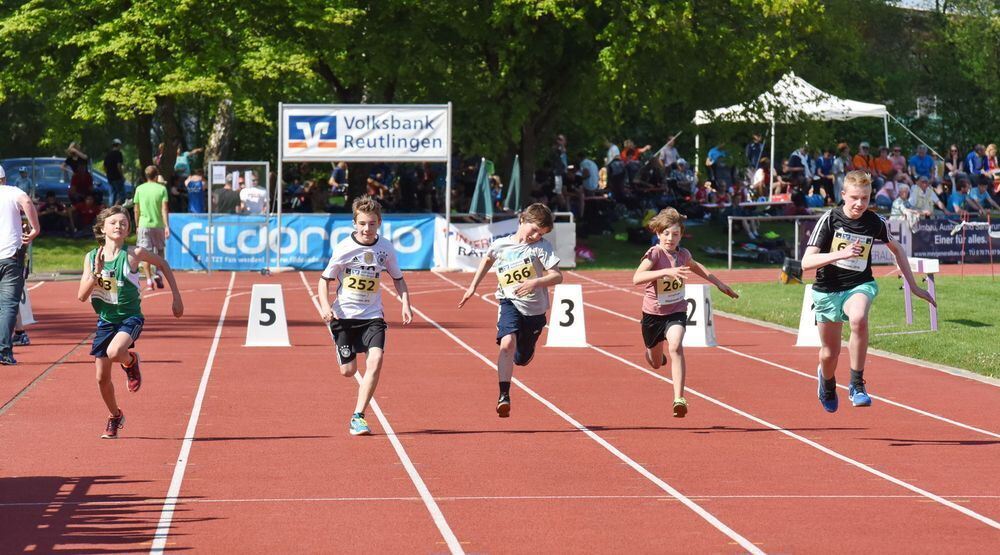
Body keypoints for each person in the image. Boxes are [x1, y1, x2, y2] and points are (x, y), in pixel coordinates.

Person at [802, 171, 934, 413]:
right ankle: (827, 382)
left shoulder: (874, 222)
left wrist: (913, 285)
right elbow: (806, 263)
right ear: (843, 195)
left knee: (859, 319)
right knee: (829, 354)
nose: (859, 204)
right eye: (854, 198)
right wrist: (840, 254)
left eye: (864, 198)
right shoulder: (830, 219)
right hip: (828, 290)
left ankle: (856, 385)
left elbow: (898, 250)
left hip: (859, 284)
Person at [77, 205, 183, 438]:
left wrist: (177, 297)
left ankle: (131, 361)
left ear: (128, 231)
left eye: (123, 223)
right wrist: (96, 273)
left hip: (130, 318)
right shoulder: (92, 257)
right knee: (101, 379)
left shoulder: (133, 253)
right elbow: (82, 296)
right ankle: (115, 416)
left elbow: (162, 264)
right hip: (106, 321)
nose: (118, 226)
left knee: (116, 352)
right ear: (102, 228)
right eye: (113, 222)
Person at [318, 196, 412, 436]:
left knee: (376, 359)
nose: (366, 229)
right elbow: (324, 280)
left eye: (371, 224)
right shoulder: (344, 248)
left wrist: (405, 304)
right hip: (344, 317)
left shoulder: (386, 248)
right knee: (348, 371)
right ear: (354, 224)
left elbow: (398, 279)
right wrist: (325, 306)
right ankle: (342, 353)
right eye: (362, 223)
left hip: (372, 316)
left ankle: (358, 416)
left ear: (379, 223)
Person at [458, 203, 562, 418]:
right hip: (509, 302)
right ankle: (504, 395)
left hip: (534, 311)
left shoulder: (542, 248)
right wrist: (472, 286)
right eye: (533, 230)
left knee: (522, 358)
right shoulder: (501, 245)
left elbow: (557, 276)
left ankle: (527, 350)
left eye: (540, 233)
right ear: (522, 220)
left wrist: (535, 283)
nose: (535, 236)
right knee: (506, 344)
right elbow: (487, 259)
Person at [632, 208, 738, 417]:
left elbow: (697, 267)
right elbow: (637, 278)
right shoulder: (654, 253)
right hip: (653, 314)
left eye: (675, 234)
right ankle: (652, 353)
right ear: (658, 234)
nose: (670, 238)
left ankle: (679, 398)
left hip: (676, 310)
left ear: (681, 235)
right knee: (655, 363)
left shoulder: (683, 254)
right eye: (666, 234)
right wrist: (666, 271)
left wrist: (719, 283)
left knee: (676, 346)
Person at [0, 167, 40, 365]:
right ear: (4, 178)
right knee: (8, 305)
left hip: (9, 255)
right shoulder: (12, 192)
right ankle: (4, 351)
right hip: (9, 255)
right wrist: (35, 228)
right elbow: (26, 201)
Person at [132, 166, 169, 289]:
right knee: (160, 251)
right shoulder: (162, 189)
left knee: (145, 253)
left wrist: (137, 225)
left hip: (144, 224)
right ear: (156, 175)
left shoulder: (139, 189)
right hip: (158, 224)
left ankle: (148, 280)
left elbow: (136, 209)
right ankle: (158, 271)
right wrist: (166, 225)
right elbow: (164, 209)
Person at [104, 139, 126, 206]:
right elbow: (119, 165)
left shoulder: (108, 154)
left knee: (113, 195)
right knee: (122, 195)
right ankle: (116, 208)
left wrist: (108, 174)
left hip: (110, 178)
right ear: (118, 145)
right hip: (117, 177)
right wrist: (122, 176)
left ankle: (111, 209)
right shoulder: (118, 153)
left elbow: (104, 167)